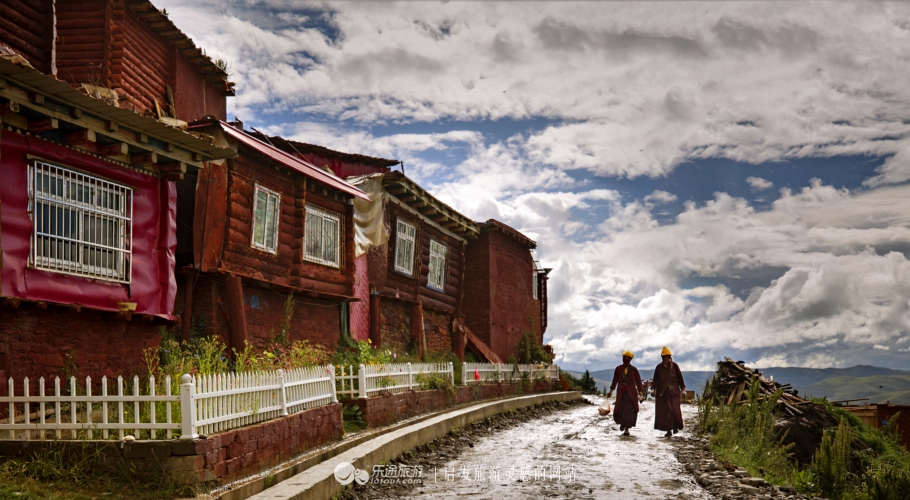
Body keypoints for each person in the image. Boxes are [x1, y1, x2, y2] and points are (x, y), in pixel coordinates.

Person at [606, 350, 644, 436]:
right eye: (624, 357)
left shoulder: (634, 370)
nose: (626, 359)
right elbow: (615, 380)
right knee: (621, 409)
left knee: (630, 410)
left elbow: (638, 381)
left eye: (628, 358)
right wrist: (611, 391)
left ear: (630, 359)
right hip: (621, 393)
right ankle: (623, 424)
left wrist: (641, 392)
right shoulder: (618, 369)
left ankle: (627, 428)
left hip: (631, 393)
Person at [653, 346, 686, 438]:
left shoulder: (675, 366)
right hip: (662, 392)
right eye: (664, 357)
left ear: (670, 357)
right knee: (665, 412)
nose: (666, 358)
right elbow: (655, 380)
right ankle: (668, 430)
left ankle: (675, 427)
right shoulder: (659, 367)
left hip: (674, 392)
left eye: (668, 356)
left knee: (675, 410)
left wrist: (683, 389)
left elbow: (680, 378)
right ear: (662, 357)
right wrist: (653, 389)